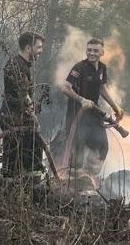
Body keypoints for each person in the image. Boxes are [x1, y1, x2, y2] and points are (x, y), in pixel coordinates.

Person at [53, 37, 125, 176]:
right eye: (89, 50)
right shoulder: (79, 68)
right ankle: (73, 182)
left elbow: (102, 88)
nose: (91, 53)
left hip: (93, 115)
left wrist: (115, 106)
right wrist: (81, 99)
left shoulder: (102, 68)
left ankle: (90, 177)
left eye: (95, 51)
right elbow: (65, 88)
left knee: (102, 147)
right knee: (77, 152)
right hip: (76, 114)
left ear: (102, 52)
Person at [0, 31, 46, 178]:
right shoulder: (16, 65)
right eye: (38, 47)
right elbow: (23, 95)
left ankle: (26, 182)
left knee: (25, 153)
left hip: (18, 118)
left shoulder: (22, 65)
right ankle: (16, 186)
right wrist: (33, 116)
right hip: (13, 118)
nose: (41, 50)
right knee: (14, 159)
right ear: (28, 48)